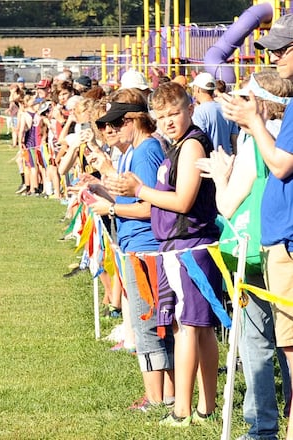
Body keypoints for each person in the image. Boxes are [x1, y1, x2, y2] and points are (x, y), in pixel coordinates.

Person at [108, 81, 221, 427]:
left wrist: (140, 190)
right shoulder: (177, 145)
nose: (169, 121)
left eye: (175, 113)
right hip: (180, 246)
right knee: (196, 327)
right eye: (162, 116)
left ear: (190, 109)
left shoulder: (191, 145)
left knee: (188, 328)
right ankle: (204, 407)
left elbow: (183, 202)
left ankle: (183, 410)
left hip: (191, 246)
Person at [197, 70, 292, 440]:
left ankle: (262, 426)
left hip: (254, 252)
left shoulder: (256, 141)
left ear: (258, 104)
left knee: (257, 342)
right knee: (287, 340)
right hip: (282, 244)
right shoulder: (286, 134)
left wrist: (221, 175)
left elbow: (227, 204)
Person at [222, 17, 293, 437]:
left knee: (284, 347)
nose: (274, 56)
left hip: (281, 245)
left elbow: (281, 166)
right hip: (275, 243)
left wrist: (253, 125)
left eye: (283, 48)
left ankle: (270, 428)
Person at [87, 90, 175, 412]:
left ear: (135, 120)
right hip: (136, 244)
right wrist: (103, 191)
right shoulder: (139, 150)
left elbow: (150, 206)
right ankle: (163, 395)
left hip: (145, 246)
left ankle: (156, 398)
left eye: (118, 122)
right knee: (149, 323)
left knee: (147, 324)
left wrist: (110, 209)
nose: (112, 130)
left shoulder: (146, 151)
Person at [190, 72, 238, 154]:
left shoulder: (198, 112)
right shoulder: (227, 109)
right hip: (228, 158)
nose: (193, 94)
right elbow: (234, 140)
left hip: (210, 159)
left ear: (198, 89)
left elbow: (198, 141)